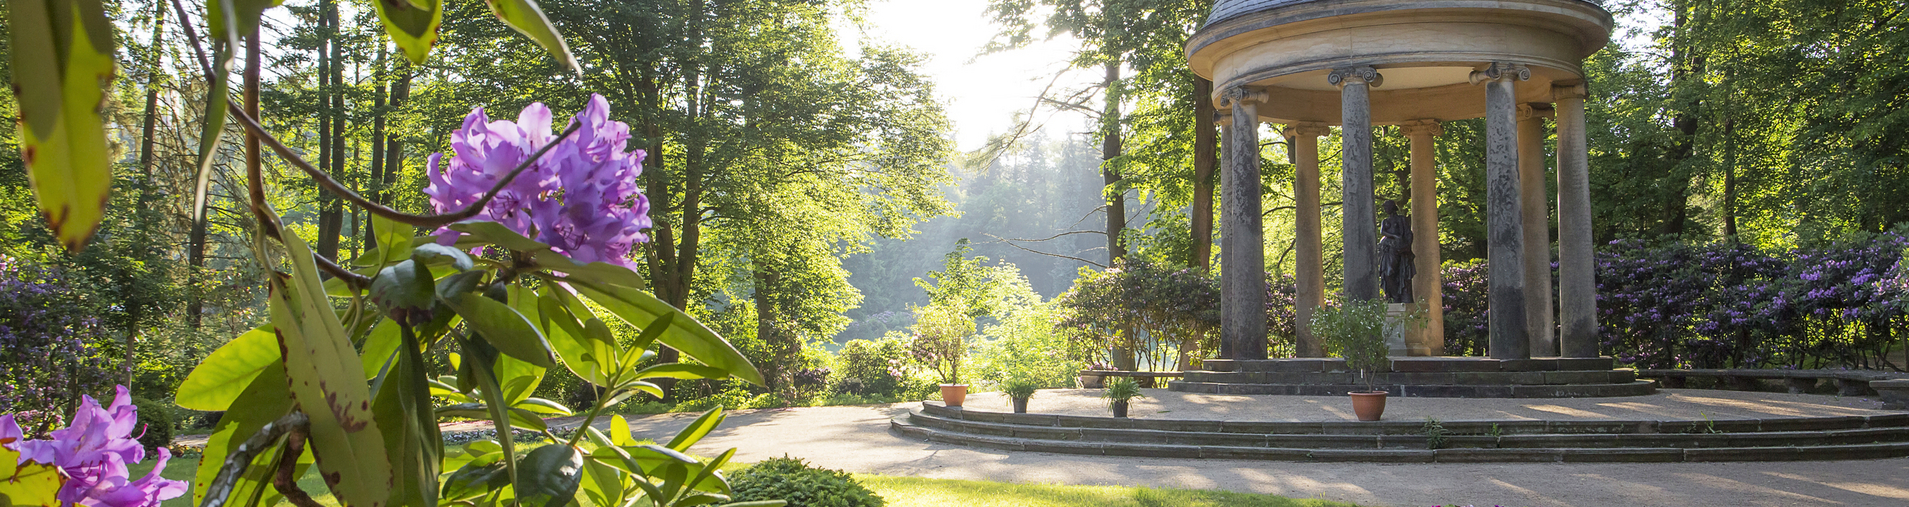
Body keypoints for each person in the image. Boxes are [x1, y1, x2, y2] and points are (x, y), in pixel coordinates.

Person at [1377, 199, 1415, 304]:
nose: (1386, 209)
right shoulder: (1385, 221)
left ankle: (1399, 295)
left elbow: (1408, 235)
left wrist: (1404, 246)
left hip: (1397, 249)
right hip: (1386, 249)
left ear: (1392, 207)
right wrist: (1394, 236)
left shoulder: (1401, 220)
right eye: (1385, 207)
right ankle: (1394, 296)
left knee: (1392, 271)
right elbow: (1383, 232)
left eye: (1387, 207)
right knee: (1386, 273)